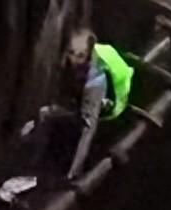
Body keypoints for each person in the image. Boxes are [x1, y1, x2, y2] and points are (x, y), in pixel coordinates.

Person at [19, 29, 133, 182]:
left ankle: (69, 168)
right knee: (44, 113)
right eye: (71, 53)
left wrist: (73, 174)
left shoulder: (96, 80)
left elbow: (88, 130)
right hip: (79, 101)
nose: (73, 59)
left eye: (80, 56)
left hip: (103, 108)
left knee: (82, 128)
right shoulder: (66, 63)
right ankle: (32, 164)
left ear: (88, 55)